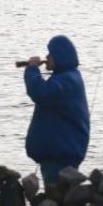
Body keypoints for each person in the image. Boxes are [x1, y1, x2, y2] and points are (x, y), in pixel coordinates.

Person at [24, 35, 90, 186]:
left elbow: (39, 93)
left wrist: (32, 69)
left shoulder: (67, 80)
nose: (46, 57)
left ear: (60, 56)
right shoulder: (66, 77)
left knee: (57, 199)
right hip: (59, 153)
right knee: (58, 201)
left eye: (50, 53)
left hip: (60, 157)